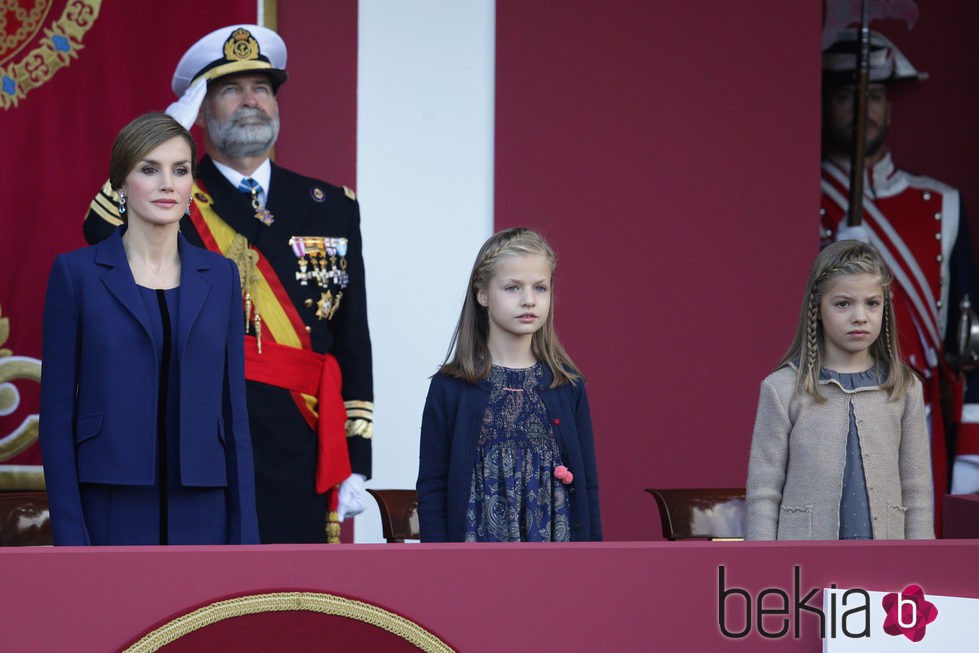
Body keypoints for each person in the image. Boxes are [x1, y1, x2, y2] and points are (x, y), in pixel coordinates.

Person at [83, 25, 373, 543]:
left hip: (300, 437)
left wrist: (357, 455)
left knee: (291, 598)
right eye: (229, 89)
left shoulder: (330, 205)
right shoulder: (172, 191)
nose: (250, 101)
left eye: (261, 87)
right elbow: (99, 231)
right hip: (199, 425)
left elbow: (352, 337)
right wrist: (161, 135)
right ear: (201, 109)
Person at [39, 113, 258, 545]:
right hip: (110, 503)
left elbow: (235, 418)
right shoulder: (76, 274)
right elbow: (57, 420)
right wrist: (70, 535)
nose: (167, 184)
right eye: (149, 169)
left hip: (203, 506)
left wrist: (245, 533)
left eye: (180, 170)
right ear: (120, 182)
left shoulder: (221, 276)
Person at [820, 30, 979, 499]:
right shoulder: (803, 197)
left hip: (915, 407)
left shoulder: (941, 202)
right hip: (828, 401)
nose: (863, 111)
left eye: (873, 96)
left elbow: (964, 333)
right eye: (847, 96)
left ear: (889, 108)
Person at [416, 228, 601, 542]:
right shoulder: (451, 387)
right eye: (513, 287)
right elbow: (432, 487)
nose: (529, 300)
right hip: (474, 564)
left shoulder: (566, 385)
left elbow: (587, 485)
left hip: (557, 562)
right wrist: (438, 563)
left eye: (540, 288)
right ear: (483, 294)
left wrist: (592, 559)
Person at [745, 240, 933, 540]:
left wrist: (922, 565)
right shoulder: (782, 388)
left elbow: (917, 491)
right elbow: (763, 492)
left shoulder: (904, 388)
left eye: (872, 303)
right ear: (817, 308)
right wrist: (761, 567)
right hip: (803, 563)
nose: (860, 316)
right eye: (843, 303)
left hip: (886, 561)